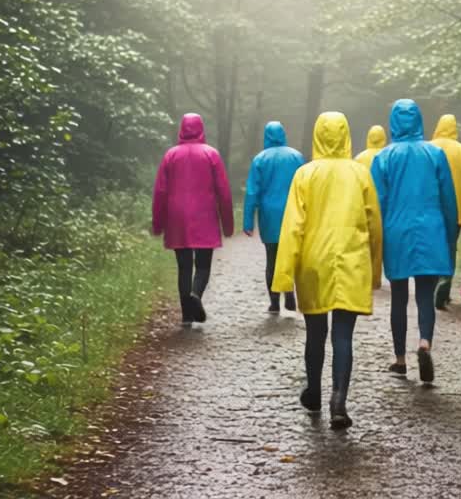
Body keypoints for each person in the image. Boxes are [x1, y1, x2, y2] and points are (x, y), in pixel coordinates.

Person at [272, 112, 383, 430]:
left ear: (317, 135)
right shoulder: (360, 174)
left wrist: (283, 278)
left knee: (315, 333)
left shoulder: (305, 175)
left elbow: (292, 226)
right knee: (343, 335)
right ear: (347, 135)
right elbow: (375, 225)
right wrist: (375, 271)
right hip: (351, 260)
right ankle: (339, 398)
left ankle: (315, 391)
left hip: (313, 262)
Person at [371, 99, 459, 383]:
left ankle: (399, 360)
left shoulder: (383, 157)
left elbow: (376, 202)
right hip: (431, 228)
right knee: (424, 295)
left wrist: (375, 239)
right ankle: (424, 342)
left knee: (398, 297)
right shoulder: (435, 153)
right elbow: (448, 198)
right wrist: (450, 233)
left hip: (396, 230)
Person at [152, 113, 235, 327]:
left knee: (184, 267)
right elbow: (223, 192)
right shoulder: (211, 154)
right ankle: (196, 294)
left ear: (182, 128)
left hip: (177, 216)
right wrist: (227, 224)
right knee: (203, 265)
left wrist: (158, 223)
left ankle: (186, 316)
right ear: (201, 129)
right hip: (204, 214)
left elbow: (160, 191)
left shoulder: (171, 155)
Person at [242, 121, 305, 313]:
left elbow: (252, 192)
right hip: (293, 213)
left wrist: (248, 221)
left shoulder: (260, 159)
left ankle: (274, 302)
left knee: (272, 258)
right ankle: (290, 293)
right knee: (292, 255)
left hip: (269, 215)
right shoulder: (296, 156)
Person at [429, 114, 461, 311]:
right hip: (455, 210)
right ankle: (445, 288)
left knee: (432, 246)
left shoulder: (428, 148)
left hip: (430, 208)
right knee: (449, 247)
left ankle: (430, 287)